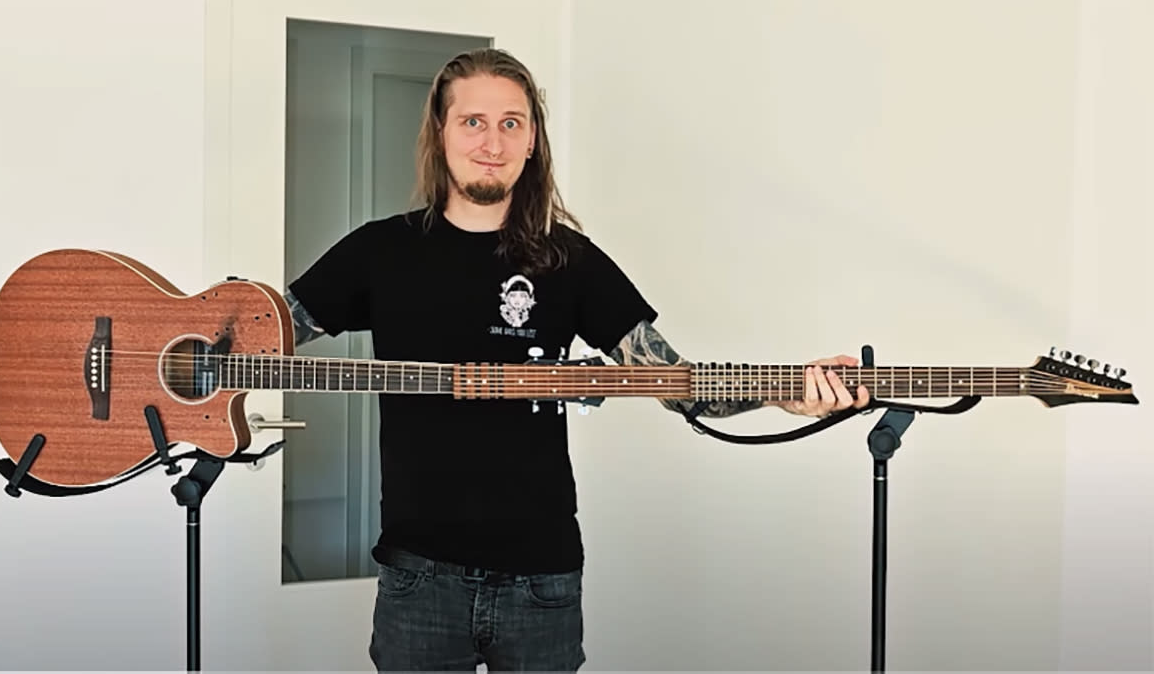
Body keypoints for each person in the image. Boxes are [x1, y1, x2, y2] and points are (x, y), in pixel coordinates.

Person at [284, 47, 870, 672]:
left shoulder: (569, 260)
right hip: (417, 578)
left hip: (542, 581)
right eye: (473, 121)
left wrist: (785, 390)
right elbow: (260, 334)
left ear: (532, 139)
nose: (492, 142)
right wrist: (178, 348)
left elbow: (678, 384)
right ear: (441, 131)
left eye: (511, 122)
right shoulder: (381, 252)